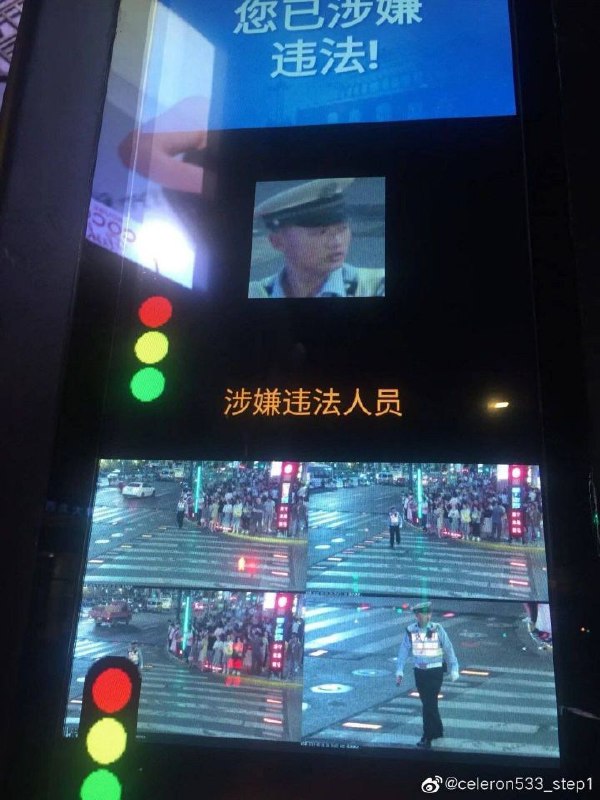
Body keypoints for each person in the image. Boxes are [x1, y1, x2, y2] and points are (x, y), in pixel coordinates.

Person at [248, 178, 385, 299]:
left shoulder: (376, 287)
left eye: (342, 229)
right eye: (321, 233)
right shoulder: (254, 294)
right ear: (277, 241)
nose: (337, 242)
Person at [395, 601, 459, 749]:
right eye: (425, 614)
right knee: (429, 703)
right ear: (417, 616)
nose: (428, 616)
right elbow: (403, 651)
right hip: (420, 672)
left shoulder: (437, 629)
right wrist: (399, 670)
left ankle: (427, 736)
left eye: (429, 613)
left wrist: (454, 667)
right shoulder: (411, 631)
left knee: (428, 704)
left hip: (435, 672)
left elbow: (448, 648)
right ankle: (437, 730)